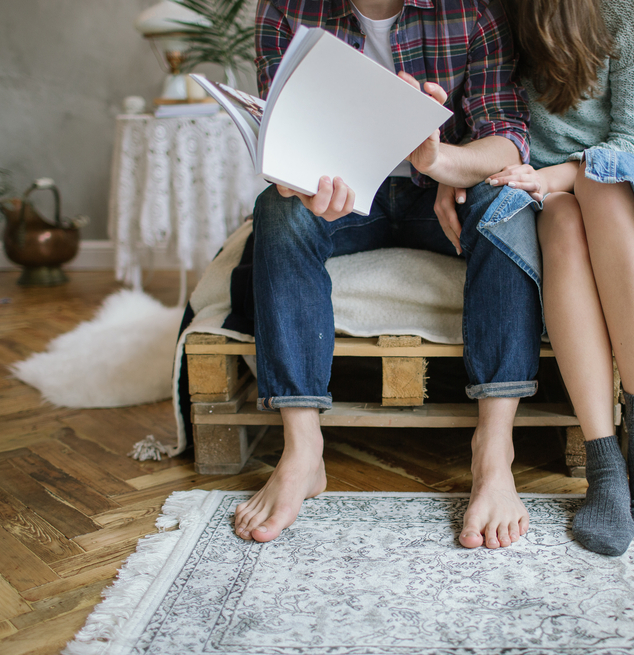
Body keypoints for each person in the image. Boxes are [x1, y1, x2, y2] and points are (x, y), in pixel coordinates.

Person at [233, 0, 545, 550]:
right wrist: (297, 179)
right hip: (345, 197)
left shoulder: (472, 9)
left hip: (444, 195)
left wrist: (441, 161)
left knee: (509, 210)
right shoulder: (286, 8)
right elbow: (283, 134)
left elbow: (508, 136)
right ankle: (303, 452)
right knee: (276, 212)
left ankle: (494, 453)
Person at [436, 0, 634, 556]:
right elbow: (477, 118)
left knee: (600, 182)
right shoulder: (490, 10)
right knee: (564, 220)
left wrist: (551, 175)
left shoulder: (626, 9)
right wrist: (458, 167)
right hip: (543, 188)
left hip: (626, 172)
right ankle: (604, 462)